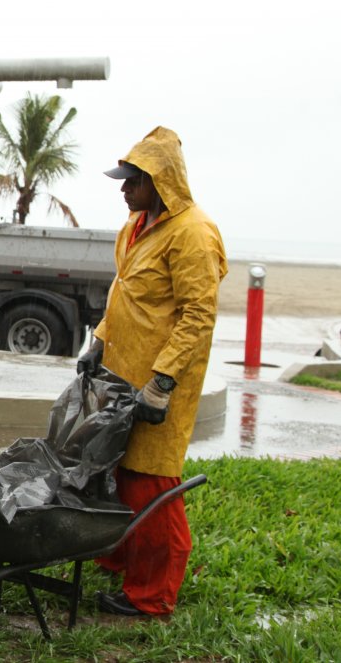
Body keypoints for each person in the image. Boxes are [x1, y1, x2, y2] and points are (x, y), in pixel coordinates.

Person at [76, 126, 226, 617]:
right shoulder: (136, 225)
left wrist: (162, 383)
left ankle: (153, 594)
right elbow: (125, 294)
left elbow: (197, 316)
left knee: (152, 482)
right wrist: (97, 340)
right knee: (117, 471)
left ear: (158, 182)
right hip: (121, 373)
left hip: (161, 382)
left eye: (131, 181)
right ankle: (120, 560)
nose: (123, 190)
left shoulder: (193, 234)